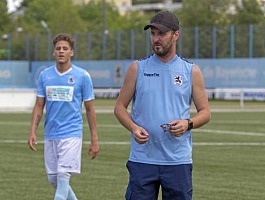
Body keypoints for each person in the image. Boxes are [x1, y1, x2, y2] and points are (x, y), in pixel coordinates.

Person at [114, 11, 211, 200]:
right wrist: (133, 127)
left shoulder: (191, 71)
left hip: (177, 161)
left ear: (176, 35)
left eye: (161, 34)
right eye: (153, 34)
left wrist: (187, 123)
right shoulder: (137, 68)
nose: (156, 39)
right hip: (142, 160)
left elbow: (205, 112)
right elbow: (119, 108)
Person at [28, 33, 99, 200]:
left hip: (71, 134)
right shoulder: (45, 76)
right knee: (54, 179)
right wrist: (32, 131)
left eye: (65, 48)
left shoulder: (82, 76)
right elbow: (39, 106)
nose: (61, 51)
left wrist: (94, 139)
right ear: (54, 52)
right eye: (58, 48)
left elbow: (89, 109)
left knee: (62, 179)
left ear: (71, 53)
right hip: (51, 134)